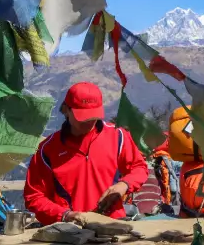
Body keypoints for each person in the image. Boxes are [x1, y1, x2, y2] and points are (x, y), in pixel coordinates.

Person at [24, 82, 149, 225]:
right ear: (66, 110)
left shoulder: (118, 136)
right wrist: (64, 215)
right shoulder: (48, 149)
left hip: (114, 224)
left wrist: (124, 184)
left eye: (93, 116)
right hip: (69, 229)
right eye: (83, 117)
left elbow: (139, 168)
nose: (89, 122)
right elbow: (34, 196)